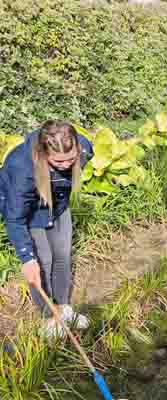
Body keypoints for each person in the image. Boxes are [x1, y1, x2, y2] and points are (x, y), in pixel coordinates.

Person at [0, 121, 93, 337]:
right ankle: (49, 317)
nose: (66, 165)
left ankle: (64, 308)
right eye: (58, 161)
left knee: (62, 254)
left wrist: (65, 167)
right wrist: (26, 258)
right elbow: (15, 218)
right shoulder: (21, 167)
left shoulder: (84, 149)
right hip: (28, 208)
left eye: (71, 159)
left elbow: (68, 167)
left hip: (57, 204)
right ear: (43, 153)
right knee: (42, 261)